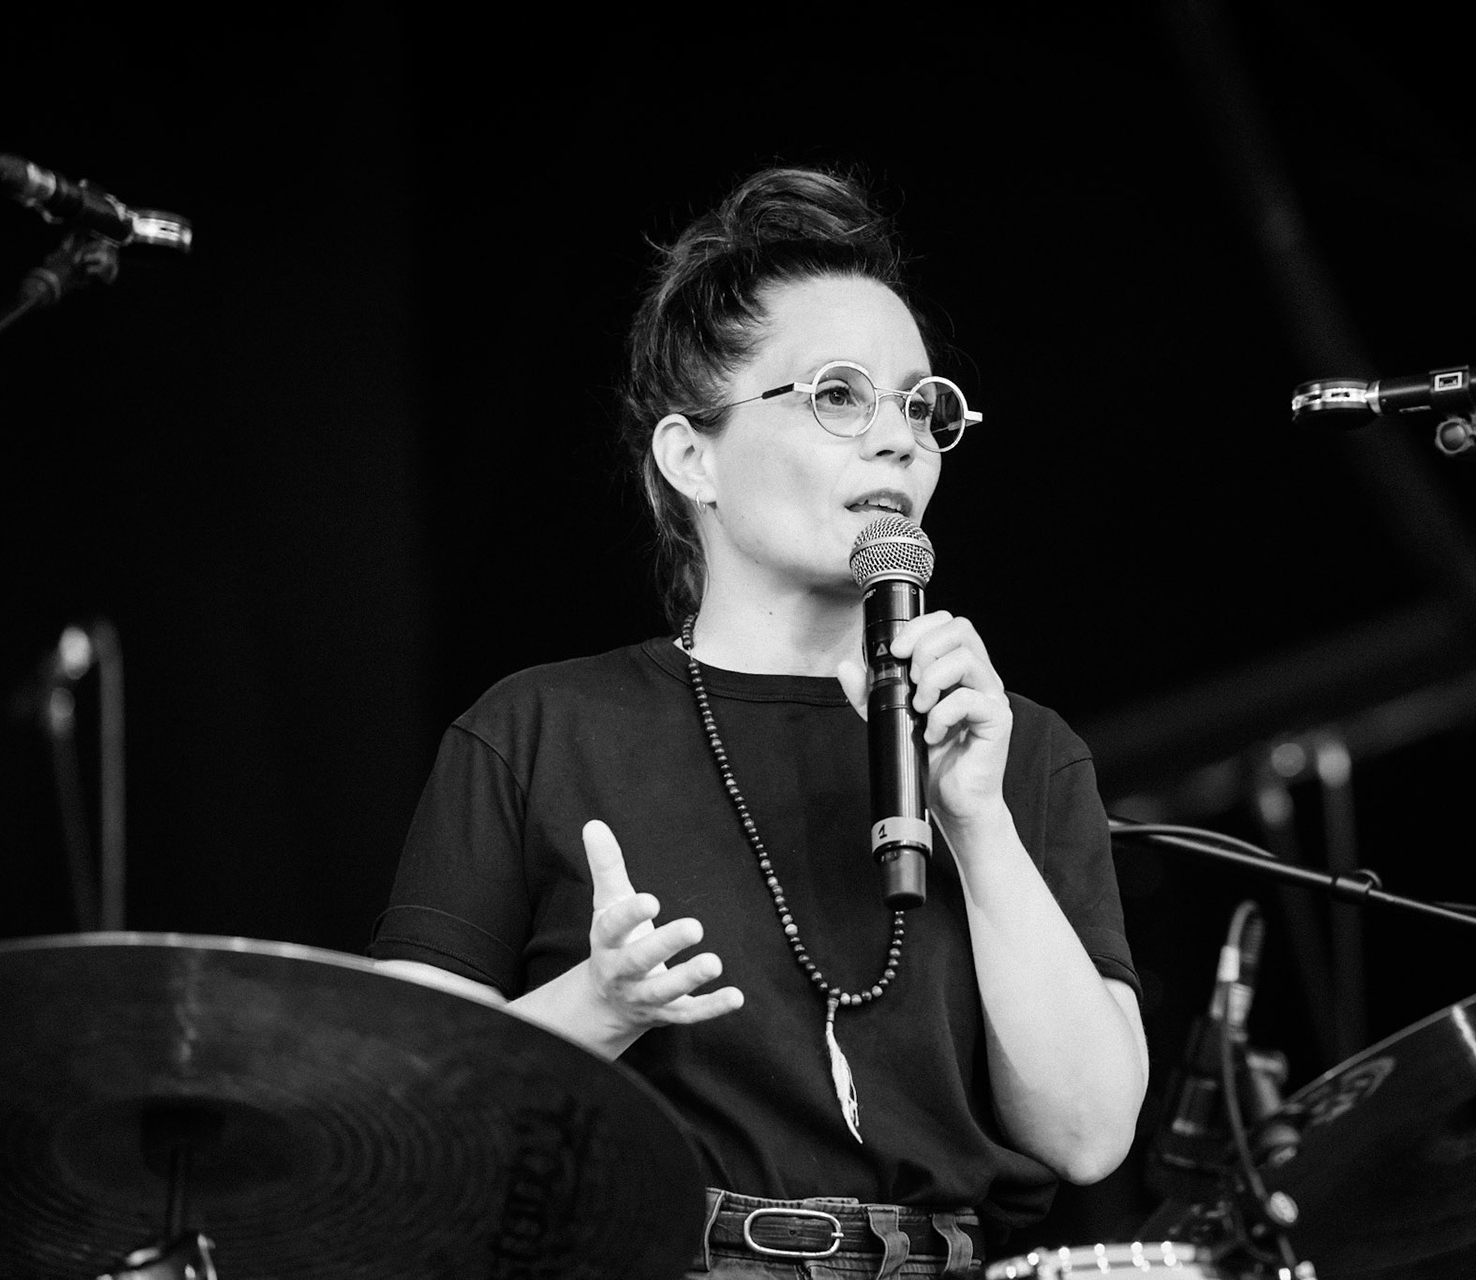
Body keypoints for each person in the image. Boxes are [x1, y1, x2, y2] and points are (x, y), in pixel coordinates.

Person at [370, 165, 1149, 1279]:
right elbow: (389, 1107)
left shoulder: (1012, 744)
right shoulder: (538, 730)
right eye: (839, 393)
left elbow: (1087, 1133)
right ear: (693, 457)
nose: (899, 441)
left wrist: (976, 822)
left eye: (923, 404)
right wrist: (598, 1004)